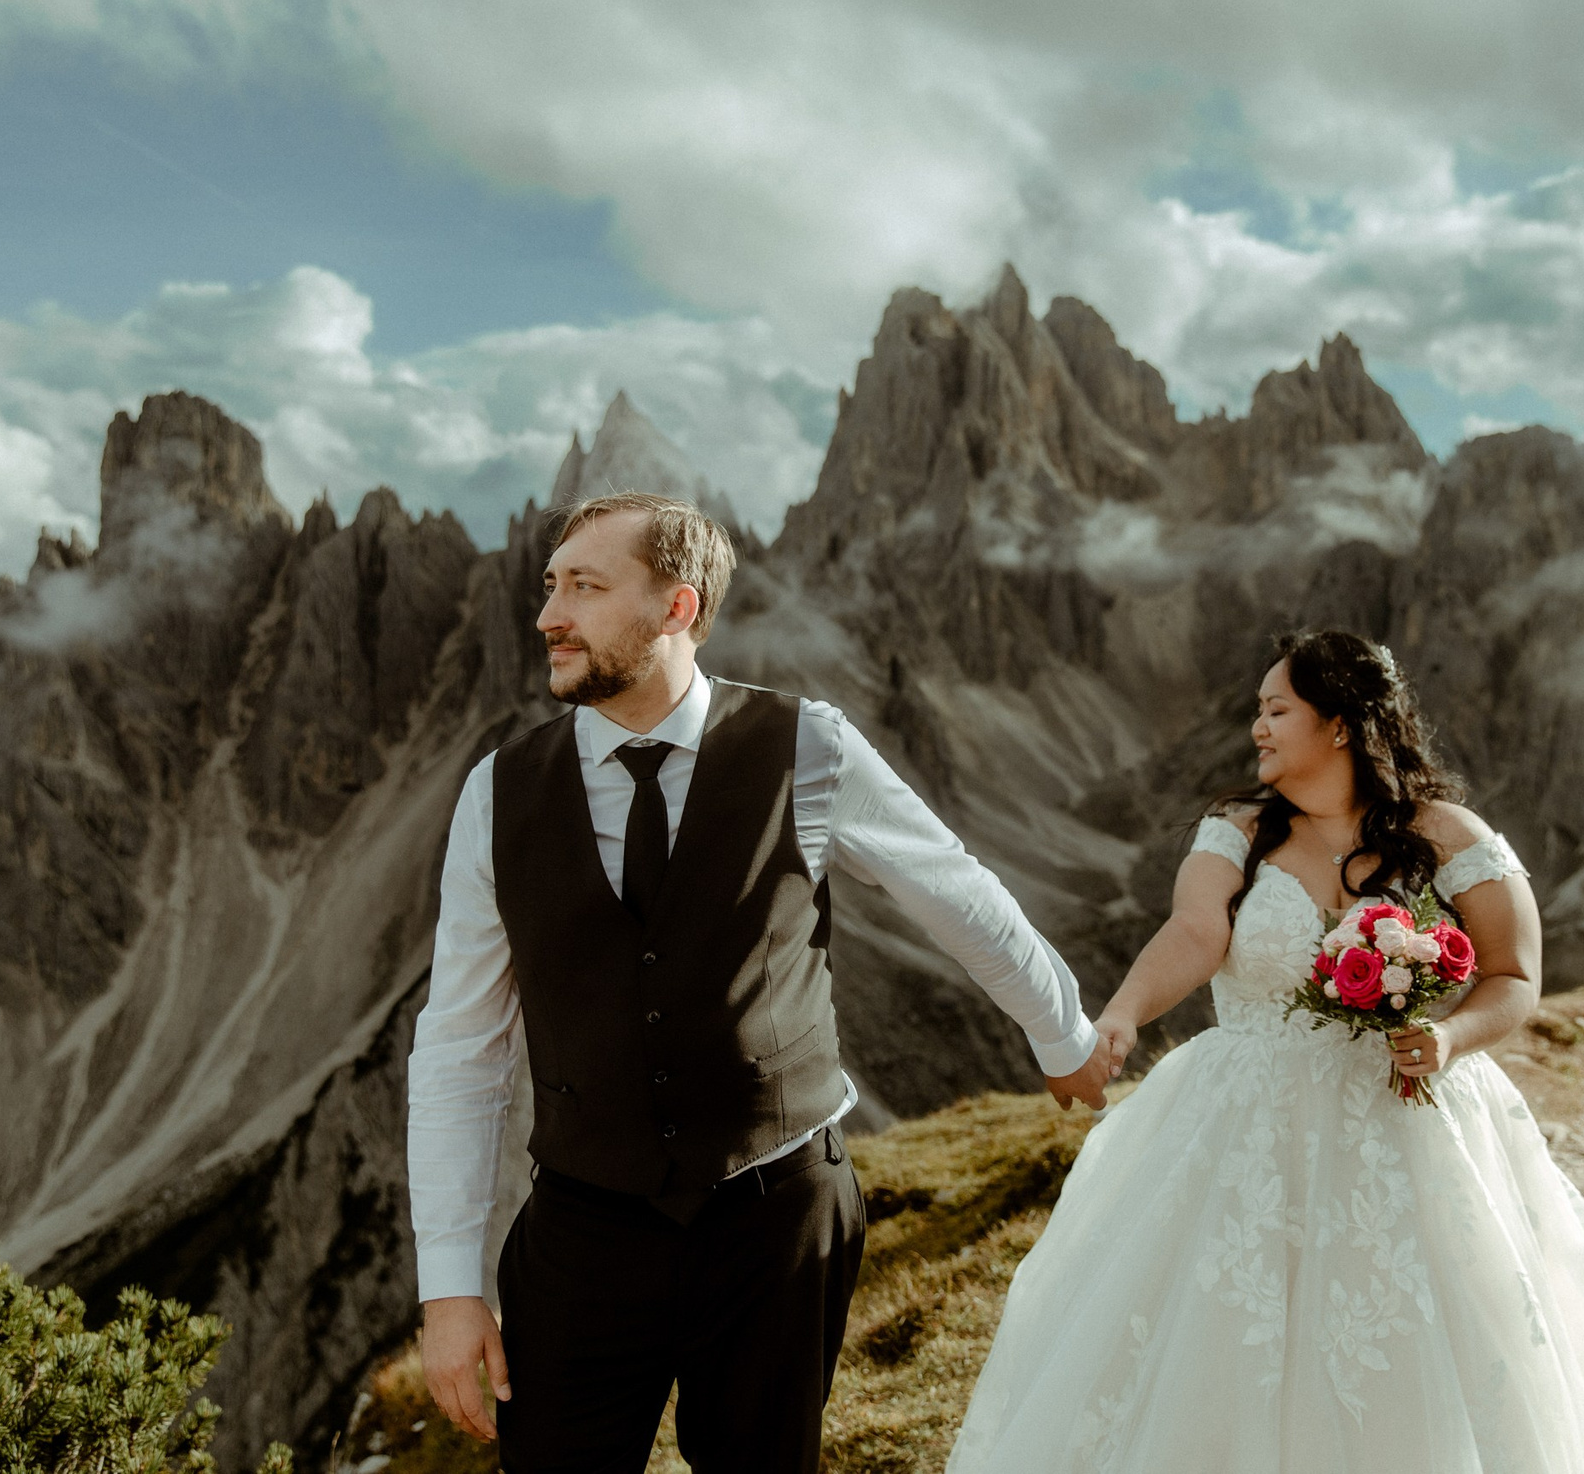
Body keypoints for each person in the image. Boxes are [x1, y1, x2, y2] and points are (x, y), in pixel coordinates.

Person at [407, 490, 1118, 1474]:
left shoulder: (810, 745)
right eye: (550, 585)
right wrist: (448, 1289)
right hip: (582, 1233)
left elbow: (959, 896)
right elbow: (460, 1047)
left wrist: (1064, 1037)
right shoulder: (498, 790)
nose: (547, 616)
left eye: (584, 587)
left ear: (678, 607)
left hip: (778, 1222)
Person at [945, 628, 1584, 1472]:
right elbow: (1195, 931)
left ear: (1340, 724)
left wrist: (1449, 1035)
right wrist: (1123, 1015)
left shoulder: (1449, 836)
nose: (1258, 726)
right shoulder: (1236, 832)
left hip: (1407, 1129)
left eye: (1277, 709)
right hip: (1248, 1130)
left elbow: (1514, 973)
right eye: (1258, 710)